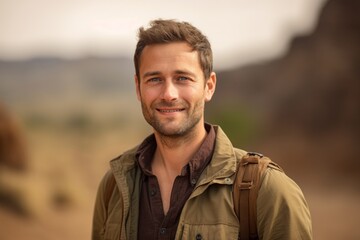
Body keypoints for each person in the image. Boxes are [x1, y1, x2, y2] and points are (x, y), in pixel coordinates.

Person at [92, 19, 312, 240]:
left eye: (182, 78)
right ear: (138, 88)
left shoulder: (268, 190)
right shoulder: (114, 187)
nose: (169, 94)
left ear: (209, 86)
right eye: (155, 79)